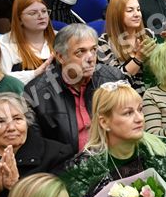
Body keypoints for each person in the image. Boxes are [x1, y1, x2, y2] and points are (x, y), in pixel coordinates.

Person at [25, 24, 126, 154]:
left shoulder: (112, 78)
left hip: (114, 156)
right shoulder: (37, 93)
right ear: (61, 57)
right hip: (66, 163)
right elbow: (37, 150)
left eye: (93, 50)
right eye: (80, 52)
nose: (90, 58)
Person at [97, 0, 156, 95]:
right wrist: (138, 58)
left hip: (153, 93)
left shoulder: (147, 34)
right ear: (116, 14)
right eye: (130, 10)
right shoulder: (103, 43)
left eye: (138, 9)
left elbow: (159, 69)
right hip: (124, 97)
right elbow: (115, 81)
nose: (137, 14)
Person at [0, 0, 55, 84]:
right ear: (19, 19)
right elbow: (2, 80)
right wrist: (34, 74)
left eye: (44, 11)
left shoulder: (60, 37)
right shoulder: (4, 44)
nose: (41, 16)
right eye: (33, 13)